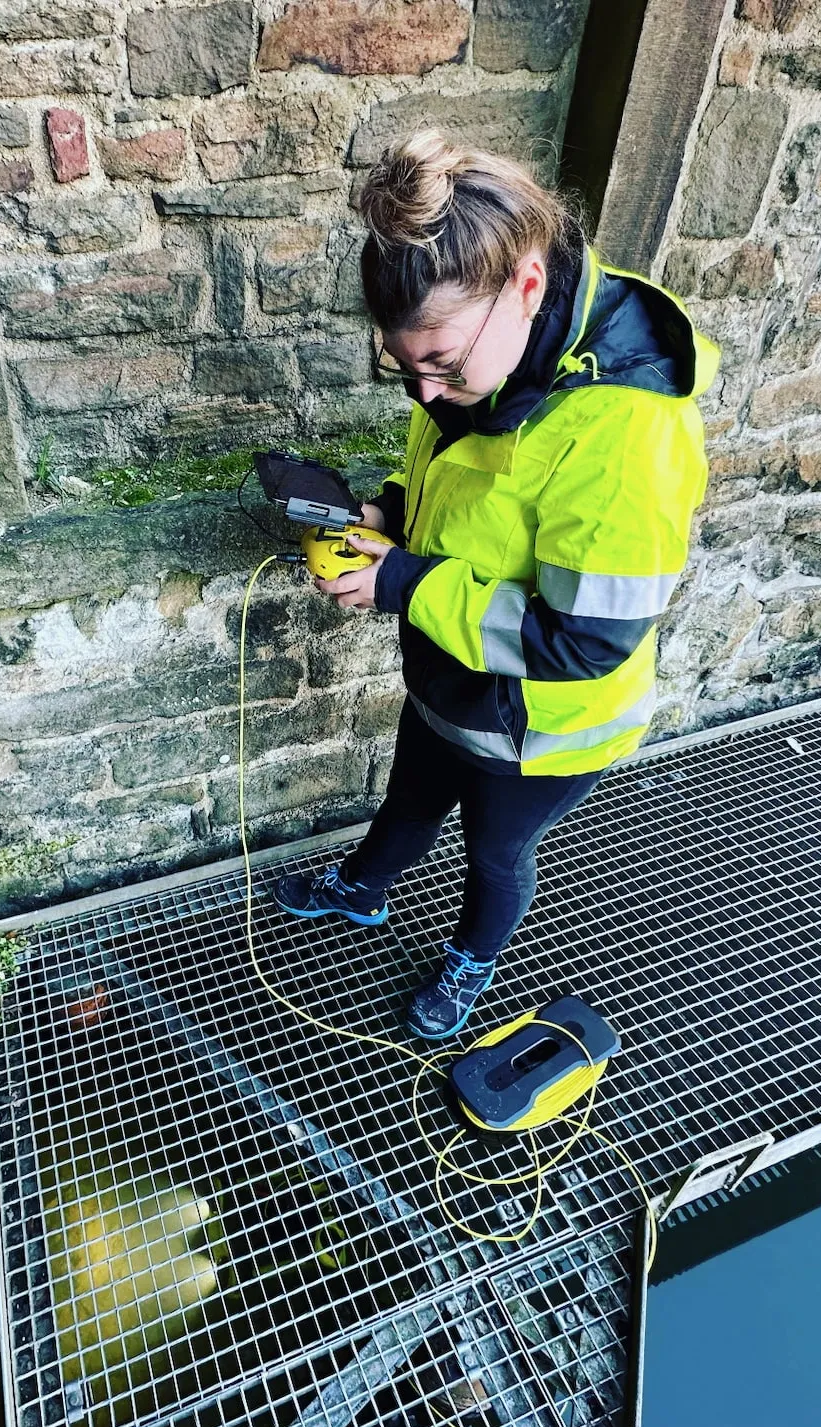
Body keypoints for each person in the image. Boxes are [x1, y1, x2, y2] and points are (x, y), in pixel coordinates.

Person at [273, 130, 717, 1041]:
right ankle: (363, 890)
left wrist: (401, 582)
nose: (427, 395)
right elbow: (456, 484)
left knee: (495, 851)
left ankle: (472, 963)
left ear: (526, 285)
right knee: (408, 798)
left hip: (542, 723)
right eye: (404, 367)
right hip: (451, 673)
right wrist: (392, 515)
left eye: (441, 364)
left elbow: (585, 641)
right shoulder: (488, 366)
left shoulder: (628, 433)